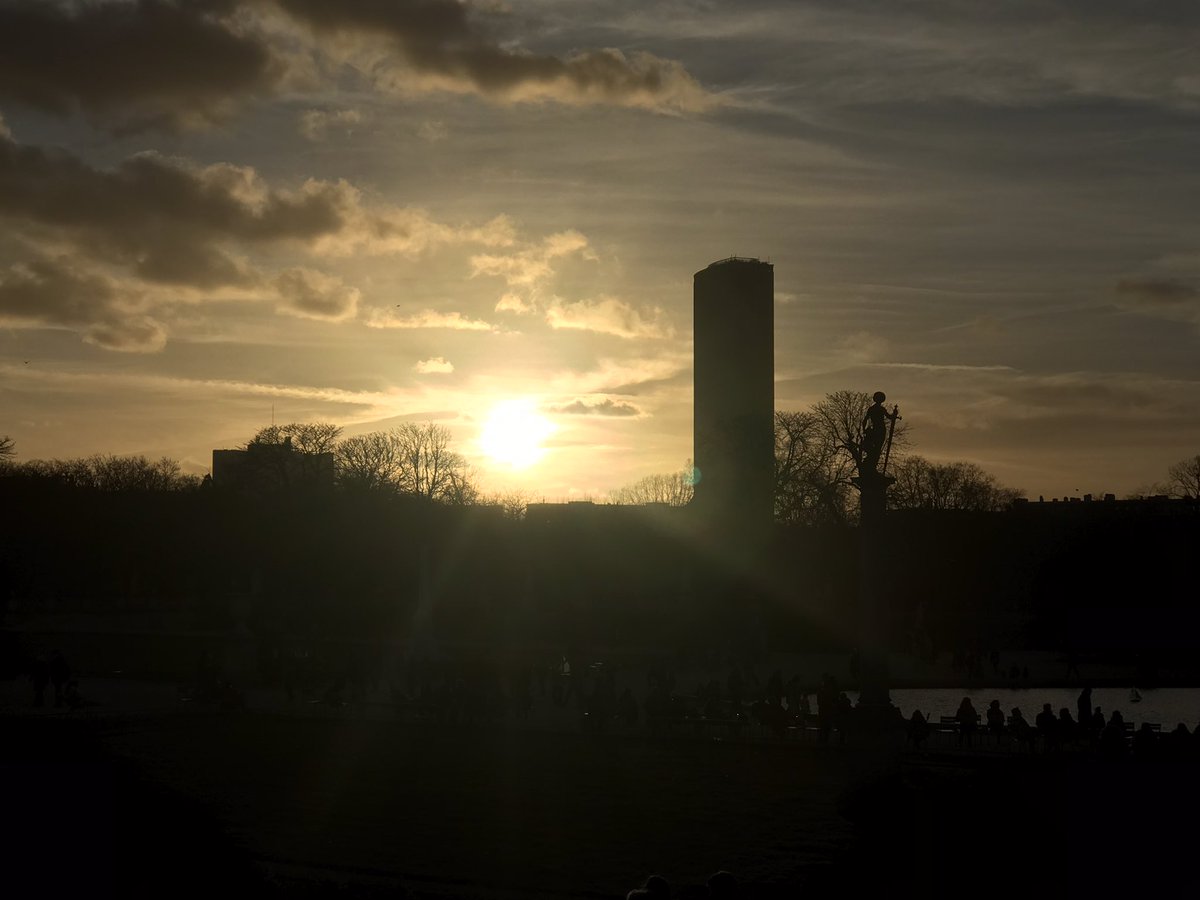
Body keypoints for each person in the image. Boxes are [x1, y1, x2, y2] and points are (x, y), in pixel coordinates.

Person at [860, 392, 899, 474]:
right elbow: (890, 417)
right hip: (880, 430)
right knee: (876, 450)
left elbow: (865, 420)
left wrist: (864, 430)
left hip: (876, 430)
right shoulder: (881, 409)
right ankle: (871, 467)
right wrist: (894, 415)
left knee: (875, 450)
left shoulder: (872, 409)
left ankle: (872, 467)